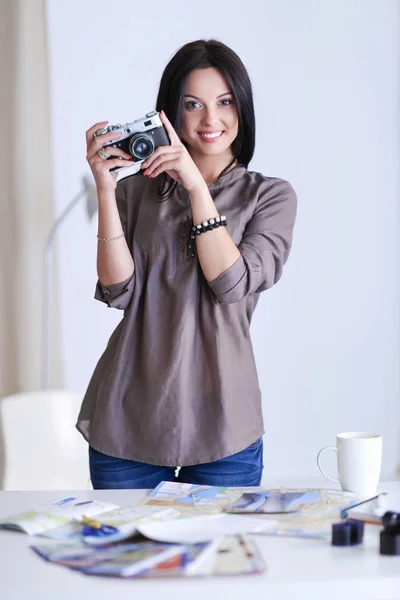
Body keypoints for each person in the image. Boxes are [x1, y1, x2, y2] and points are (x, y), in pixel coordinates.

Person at [77, 39, 297, 490]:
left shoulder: (270, 196)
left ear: (243, 107)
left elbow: (231, 284)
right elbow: (118, 291)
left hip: (223, 424)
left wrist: (198, 189)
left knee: (220, 559)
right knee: (125, 556)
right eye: (192, 104)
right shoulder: (135, 192)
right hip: (128, 418)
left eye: (224, 102)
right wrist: (105, 189)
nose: (210, 119)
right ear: (170, 113)